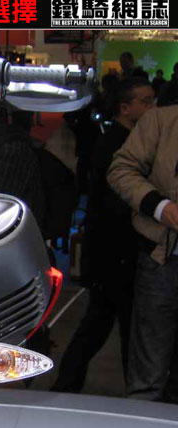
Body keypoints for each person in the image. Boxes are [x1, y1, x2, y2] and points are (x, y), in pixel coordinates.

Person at [52, 78, 154, 393]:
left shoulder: (123, 140)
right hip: (113, 251)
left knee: (106, 322)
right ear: (125, 108)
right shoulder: (117, 144)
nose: (151, 107)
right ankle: (129, 388)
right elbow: (111, 203)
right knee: (107, 321)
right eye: (145, 101)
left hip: (114, 250)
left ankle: (72, 384)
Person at [107, 97, 178, 402]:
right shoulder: (161, 121)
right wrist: (161, 207)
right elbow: (121, 169)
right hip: (163, 260)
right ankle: (142, 425)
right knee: (149, 374)